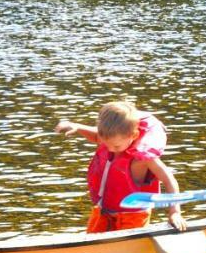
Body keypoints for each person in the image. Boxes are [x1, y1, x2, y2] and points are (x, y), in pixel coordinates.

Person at [56, 100, 187, 234]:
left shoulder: (143, 158)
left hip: (133, 215)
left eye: (116, 146)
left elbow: (169, 180)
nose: (111, 150)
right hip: (104, 209)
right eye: (106, 144)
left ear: (134, 135)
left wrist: (175, 212)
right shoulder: (112, 139)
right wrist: (76, 126)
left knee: (126, 243)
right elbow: (96, 136)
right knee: (91, 239)